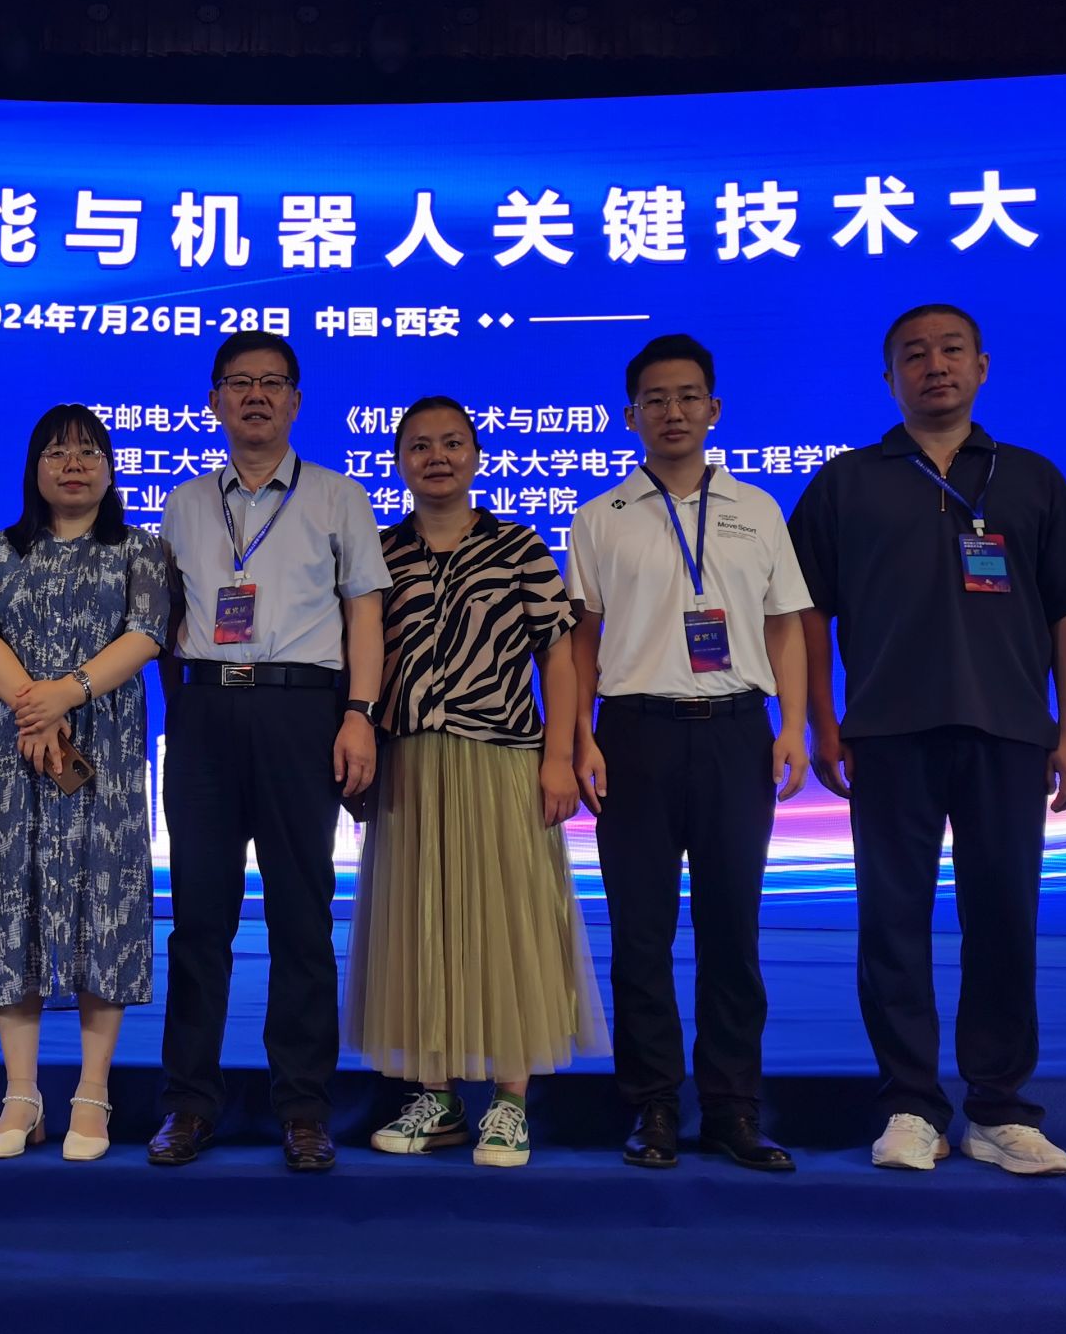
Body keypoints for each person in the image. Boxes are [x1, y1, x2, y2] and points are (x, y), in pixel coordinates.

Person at [789, 304, 1066, 1176]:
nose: (933, 365)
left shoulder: (1033, 478)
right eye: (913, 355)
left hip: (1010, 733)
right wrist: (823, 721)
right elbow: (807, 616)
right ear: (888, 377)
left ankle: (998, 1109)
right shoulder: (846, 483)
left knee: (1004, 918)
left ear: (981, 366)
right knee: (891, 923)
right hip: (886, 733)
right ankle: (909, 1105)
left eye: (950, 351)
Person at [149, 331, 392, 1173]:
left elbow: (365, 615)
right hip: (207, 716)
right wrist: (187, 709)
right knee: (198, 920)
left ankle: (304, 1109)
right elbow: (166, 625)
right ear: (214, 400)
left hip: (302, 713)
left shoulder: (337, 497)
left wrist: (358, 714)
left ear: (295, 400)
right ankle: (188, 1104)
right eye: (239, 383)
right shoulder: (183, 503)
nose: (256, 396)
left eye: (272, 383)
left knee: (300, 917)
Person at [345, 397, 610, 1169]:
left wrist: (558, 757)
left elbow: (557, 657)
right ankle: (437, 1097)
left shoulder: (519, 545)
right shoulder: (378, 553)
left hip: (503, 758)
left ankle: (510, 1100)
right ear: (399, 460)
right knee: (419, 924)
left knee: (507, 923)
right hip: (408, 764)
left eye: (453, 443)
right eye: (420, 446)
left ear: (477, 455)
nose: (437, 457)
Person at [568, 334, 811, 1173]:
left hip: (738, 732)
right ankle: (654, 1107)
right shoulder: (600, 517)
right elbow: (581, 637)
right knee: (640, 932)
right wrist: (580, 735)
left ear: (714, 409)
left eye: (688, 397)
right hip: (634, 734)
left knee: (731, 929)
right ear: (629, 415)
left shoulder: (758, 509)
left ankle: (734, 1108)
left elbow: (785, 623)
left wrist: (793, 725)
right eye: (655, 400)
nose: (672, 412)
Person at [0, 405, 171, 1161]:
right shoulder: (1, 549)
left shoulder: (139, 550)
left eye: (88, 452)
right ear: (35, 469)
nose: (73, 465)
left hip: (103, 758)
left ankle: (92, 1092)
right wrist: (34, 706)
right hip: (15, 758)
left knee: (102, 913)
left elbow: (146, 633)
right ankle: (21, 1096)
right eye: (56, 453)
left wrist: (66, 694)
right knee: (10, 913)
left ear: (111, 470)